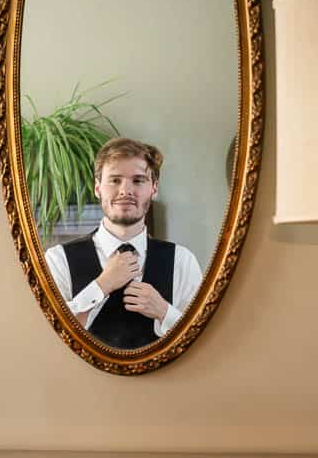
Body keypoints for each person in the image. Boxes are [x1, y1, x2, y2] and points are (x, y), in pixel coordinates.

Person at [44, 137, 203, 349]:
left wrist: (164, 312)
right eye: (115, 180)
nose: (125, 190)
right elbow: (48, 340)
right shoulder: (58, 259)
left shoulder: (182, 261)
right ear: (98, 188)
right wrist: (101, 286)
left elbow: (203, 341)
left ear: (154, 188)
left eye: (138, 180)